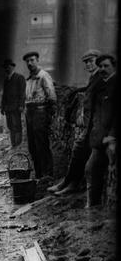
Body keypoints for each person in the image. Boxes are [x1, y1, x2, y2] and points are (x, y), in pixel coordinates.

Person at [48, 49, 103, 195]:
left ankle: (71, 183)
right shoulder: (94, 77)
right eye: (86, 62)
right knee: (78, 150)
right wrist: (77, 90)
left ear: (98, 60)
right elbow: (90, 90)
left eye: (91, 61)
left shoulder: (101, 76)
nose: (89, 64)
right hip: (89, 123)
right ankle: (69, 182)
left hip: (95, 124)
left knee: (79, 149)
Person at [84, 54, 117, 208]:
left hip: (110, 138)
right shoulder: (100, 85)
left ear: (113, 66)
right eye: (101, 66)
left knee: (93, 168)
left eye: (106, 66)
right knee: (91, 170)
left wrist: (111, 137)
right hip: (99, 138)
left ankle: (93, 207)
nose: (103, 69)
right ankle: (92, 206)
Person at [23, 51, 57, 180]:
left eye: (32, 60)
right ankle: (38, 174)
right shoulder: (30, 79)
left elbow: (52, 97)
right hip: (30, 113)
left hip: (40, 112)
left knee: (41, 143)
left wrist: (49, 117)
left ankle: (47, 174)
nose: (30, 63)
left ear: (37, 60)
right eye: (27, 61)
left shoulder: (43, 76)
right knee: (32, 145)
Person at [0, 58, 26, 147]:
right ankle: (13, 144)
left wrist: (21, 105)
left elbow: (22, 93)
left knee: (16, 125)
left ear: (12, 67)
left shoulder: (19, 78)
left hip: (16, 107)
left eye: (8, 67)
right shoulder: (6, 80)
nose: (6, 69)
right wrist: (2, 107)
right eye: (5, 67)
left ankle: (18, 145)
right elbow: (4, 95)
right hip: (8, 108)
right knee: (10, 126)